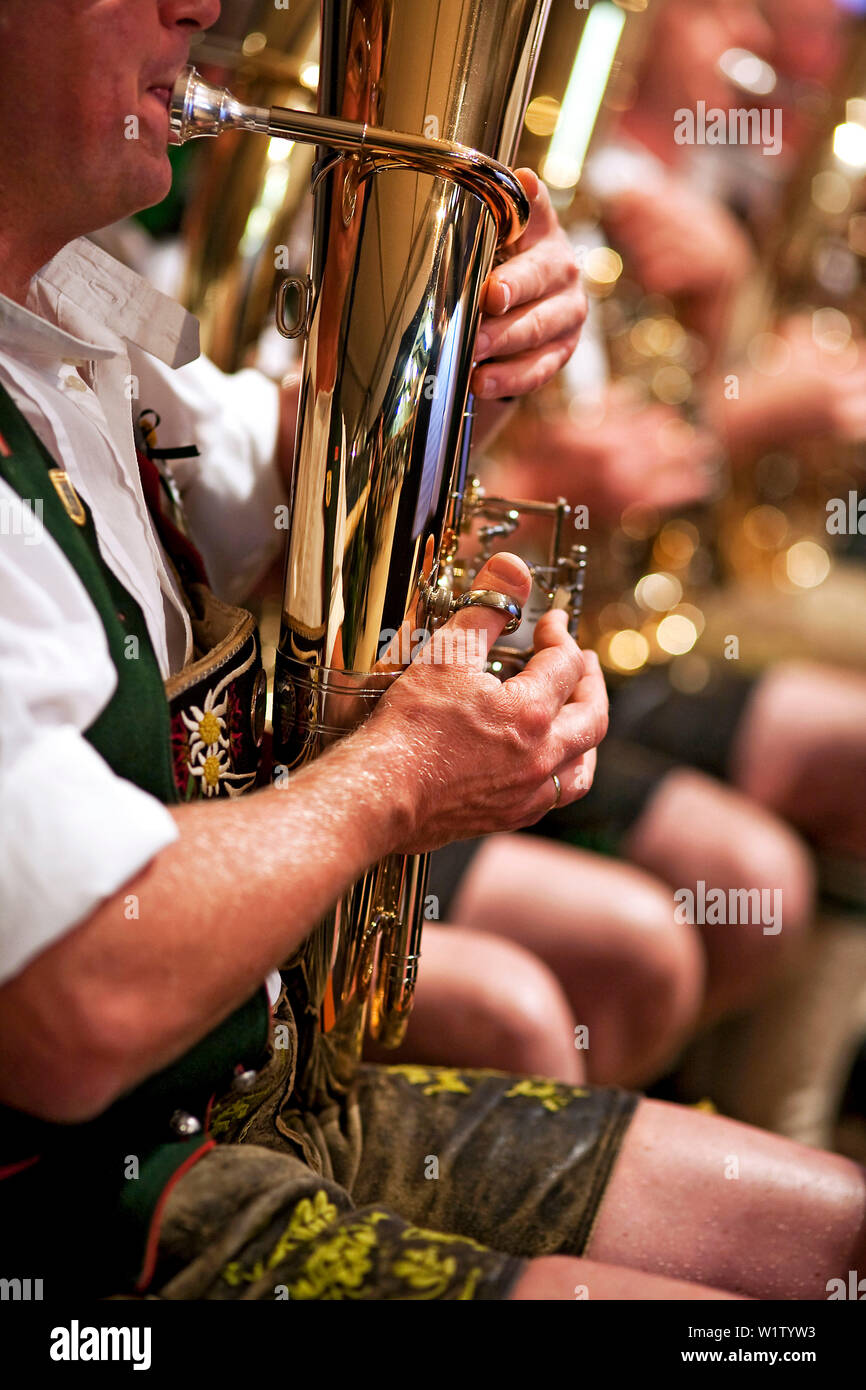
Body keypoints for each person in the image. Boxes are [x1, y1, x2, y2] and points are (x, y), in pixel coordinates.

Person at [1, 0, 865, 1303]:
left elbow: (272, 477)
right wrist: (396, 777)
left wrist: (464, 364)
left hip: (245, 1099)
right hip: (95, 1199)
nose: (202, 5)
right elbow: (80, 1005)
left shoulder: (68, 305)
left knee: (837, 1239)